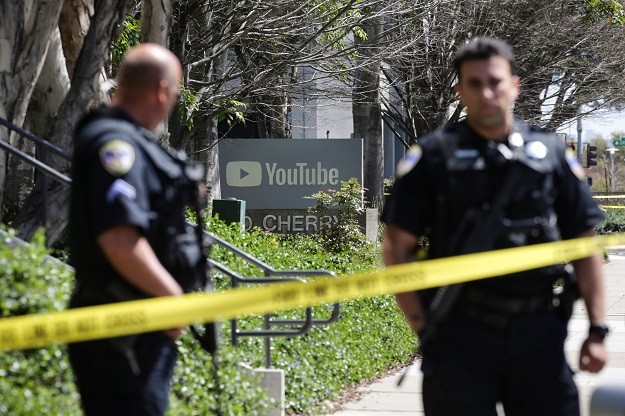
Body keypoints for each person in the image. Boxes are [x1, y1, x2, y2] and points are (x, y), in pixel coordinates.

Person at [382, 37, 608, 416]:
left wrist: (597, 330)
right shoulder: (433, 156)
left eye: (495, 81)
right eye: (474, 83)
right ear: (459, 91)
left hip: (538, 331)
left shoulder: (551, 153)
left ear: (514, 85)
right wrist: (425, 330)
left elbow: (586, 247)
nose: (487, 92)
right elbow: (395, 248)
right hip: (459, 333)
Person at [68, 43, 204, 415]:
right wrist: (171, 297)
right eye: (175, 94)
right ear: (162, 90)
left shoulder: (128, 140)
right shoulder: (115, 145)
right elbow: (120, 239)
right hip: (121, 326)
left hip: (134, 323)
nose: (172, 102)